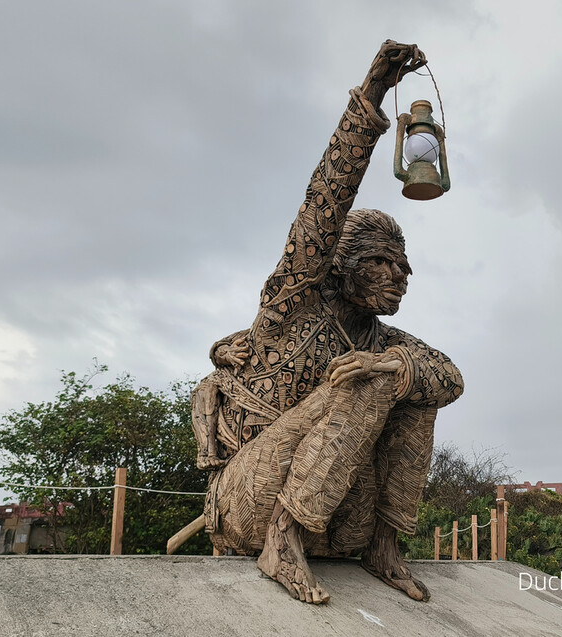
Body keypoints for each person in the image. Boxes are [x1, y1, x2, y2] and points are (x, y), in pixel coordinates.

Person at [191, 41, 463, 605]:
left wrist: (393, 366)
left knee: (407, 377)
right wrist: (372, 96)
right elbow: (322, 206)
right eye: (380, 262)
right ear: (340, 265)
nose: (399, 276)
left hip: (343, 522)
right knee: (375, 380)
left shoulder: (383, 339)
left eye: (404, 266)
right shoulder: (291, 306)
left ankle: (384, 548)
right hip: (250, 502)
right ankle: (281, 544)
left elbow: (452, 377)